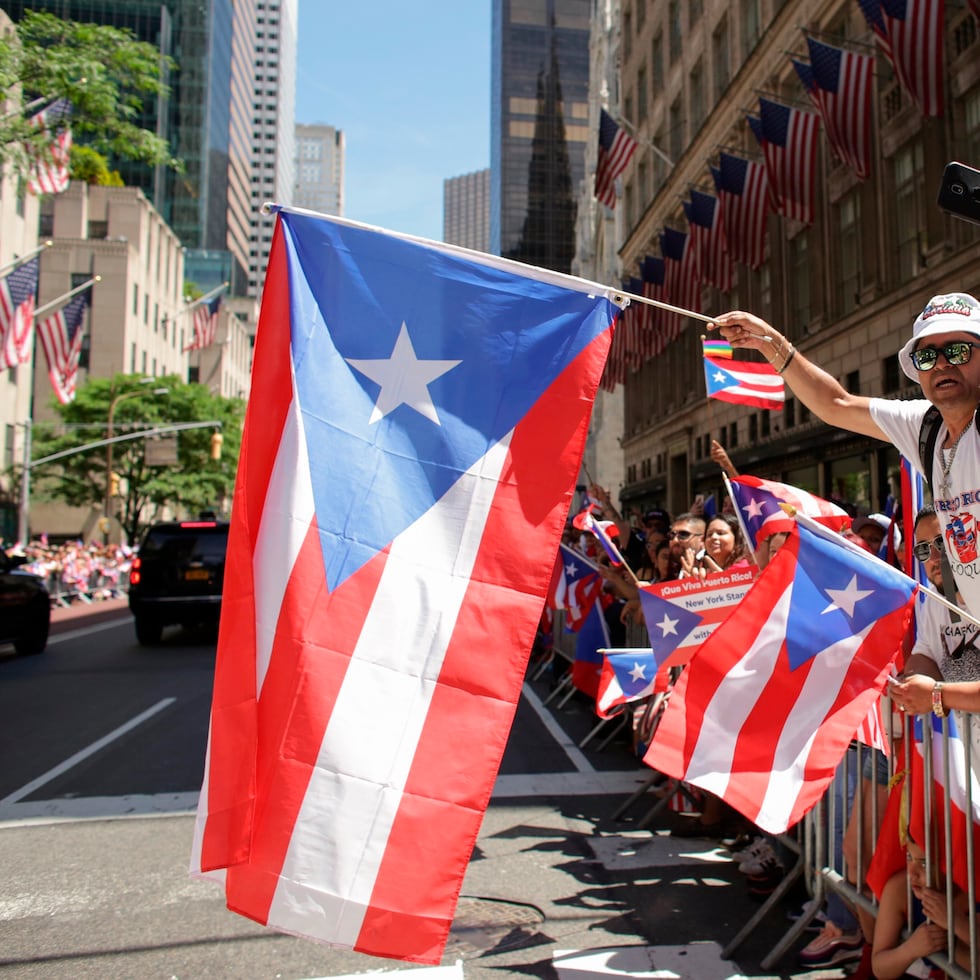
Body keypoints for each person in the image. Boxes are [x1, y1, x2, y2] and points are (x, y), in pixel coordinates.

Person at [713, 292, 980, 619]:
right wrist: (770, 342)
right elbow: (835, 405)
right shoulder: (926, 426)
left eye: (957, 351)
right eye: (927, 357)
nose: (941, 363)